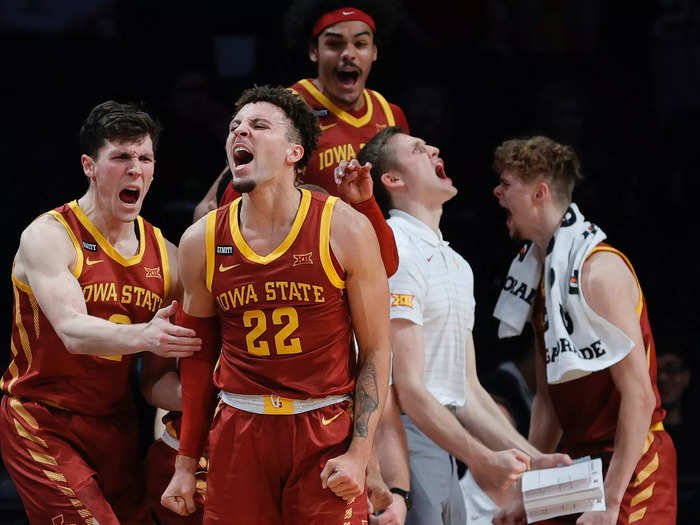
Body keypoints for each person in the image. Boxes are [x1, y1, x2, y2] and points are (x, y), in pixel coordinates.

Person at [160, 85, 391, 524]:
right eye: (234, 127)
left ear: (293, 152)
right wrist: (186, 465)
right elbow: (198, 358)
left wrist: (361, 455)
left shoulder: (343, 228)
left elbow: (377, 351)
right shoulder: (201, 241)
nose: (239, 132)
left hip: (323, 428)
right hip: (238, 429)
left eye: (258, 126)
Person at [0, 100, 202, 525]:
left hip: (116, 425)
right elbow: (72, 330)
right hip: (42, 419)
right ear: (89, 166)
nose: (136, 169)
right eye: (122, 157)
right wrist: (148, 334)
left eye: (145, 157)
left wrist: (220, 400)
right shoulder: (49, 235)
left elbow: (154, 385)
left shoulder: (167, 258)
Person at [355, 127, 571, 525]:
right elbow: (408, 389)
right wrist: (483, 459)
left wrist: (535, 458)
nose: (434, 149)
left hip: (443, 438)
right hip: (402, 439)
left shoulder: (456, 264)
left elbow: (466, 390)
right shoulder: (396, 246)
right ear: (393, 179)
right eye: (418, 150)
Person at [491, 136, 676, 524]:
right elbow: (547, 403)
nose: (497, 192)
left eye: (507, 184)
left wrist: (610, 502)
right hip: (579, 463)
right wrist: (526, 491)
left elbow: (640, 396)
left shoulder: (596, 271)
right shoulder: (539, 275)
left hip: (631, 459)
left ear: (540, 193)